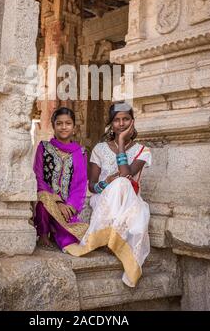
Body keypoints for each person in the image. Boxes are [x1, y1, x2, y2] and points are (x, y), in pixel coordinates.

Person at [65, 101, 152, 287]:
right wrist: (107, 183)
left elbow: (126, 174)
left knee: (123, 184)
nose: (121, 124)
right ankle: (112, 240)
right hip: (104, 199)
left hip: (130, 200)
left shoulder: (143, 151)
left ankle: (115, 243)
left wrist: (121, 143)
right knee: (119, 184)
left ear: (133, 121)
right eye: (117, 120)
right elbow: (93, 186)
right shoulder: (100, 149)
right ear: (111, 124)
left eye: (126, 119)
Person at [33, 107, 88, 250]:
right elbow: (38, 176)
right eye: (59, 123)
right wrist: (56, 201)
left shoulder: (80, 152)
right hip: (47, 200)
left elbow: (80, 184)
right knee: (43, 203)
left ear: (74, 127)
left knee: (73, 239)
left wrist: (70, 205)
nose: (64, 127)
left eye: (68, 123)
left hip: (68, 205)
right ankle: (44, 234)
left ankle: (57, 232)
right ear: (53, 126)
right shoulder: (44, 147)